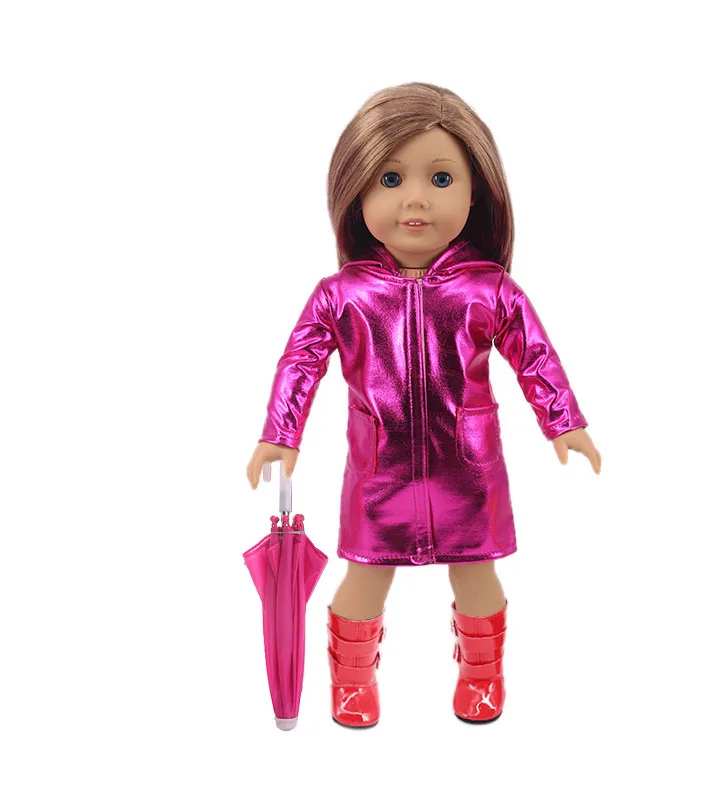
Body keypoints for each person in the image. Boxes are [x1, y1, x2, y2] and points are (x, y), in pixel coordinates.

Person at [246, 82, 601, 728]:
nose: (415, 199)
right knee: (363, 579)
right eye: (390, 178)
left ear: (476, 192)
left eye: (440, 178)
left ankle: (482, 677)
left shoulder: (489, 289)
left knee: (477, 576)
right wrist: (281, 432)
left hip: (467, 468)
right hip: (378, 471)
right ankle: (352, 684)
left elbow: (535, 356)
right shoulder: (341, 295)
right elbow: (300, 361)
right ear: (356, 189)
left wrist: (564, 422)